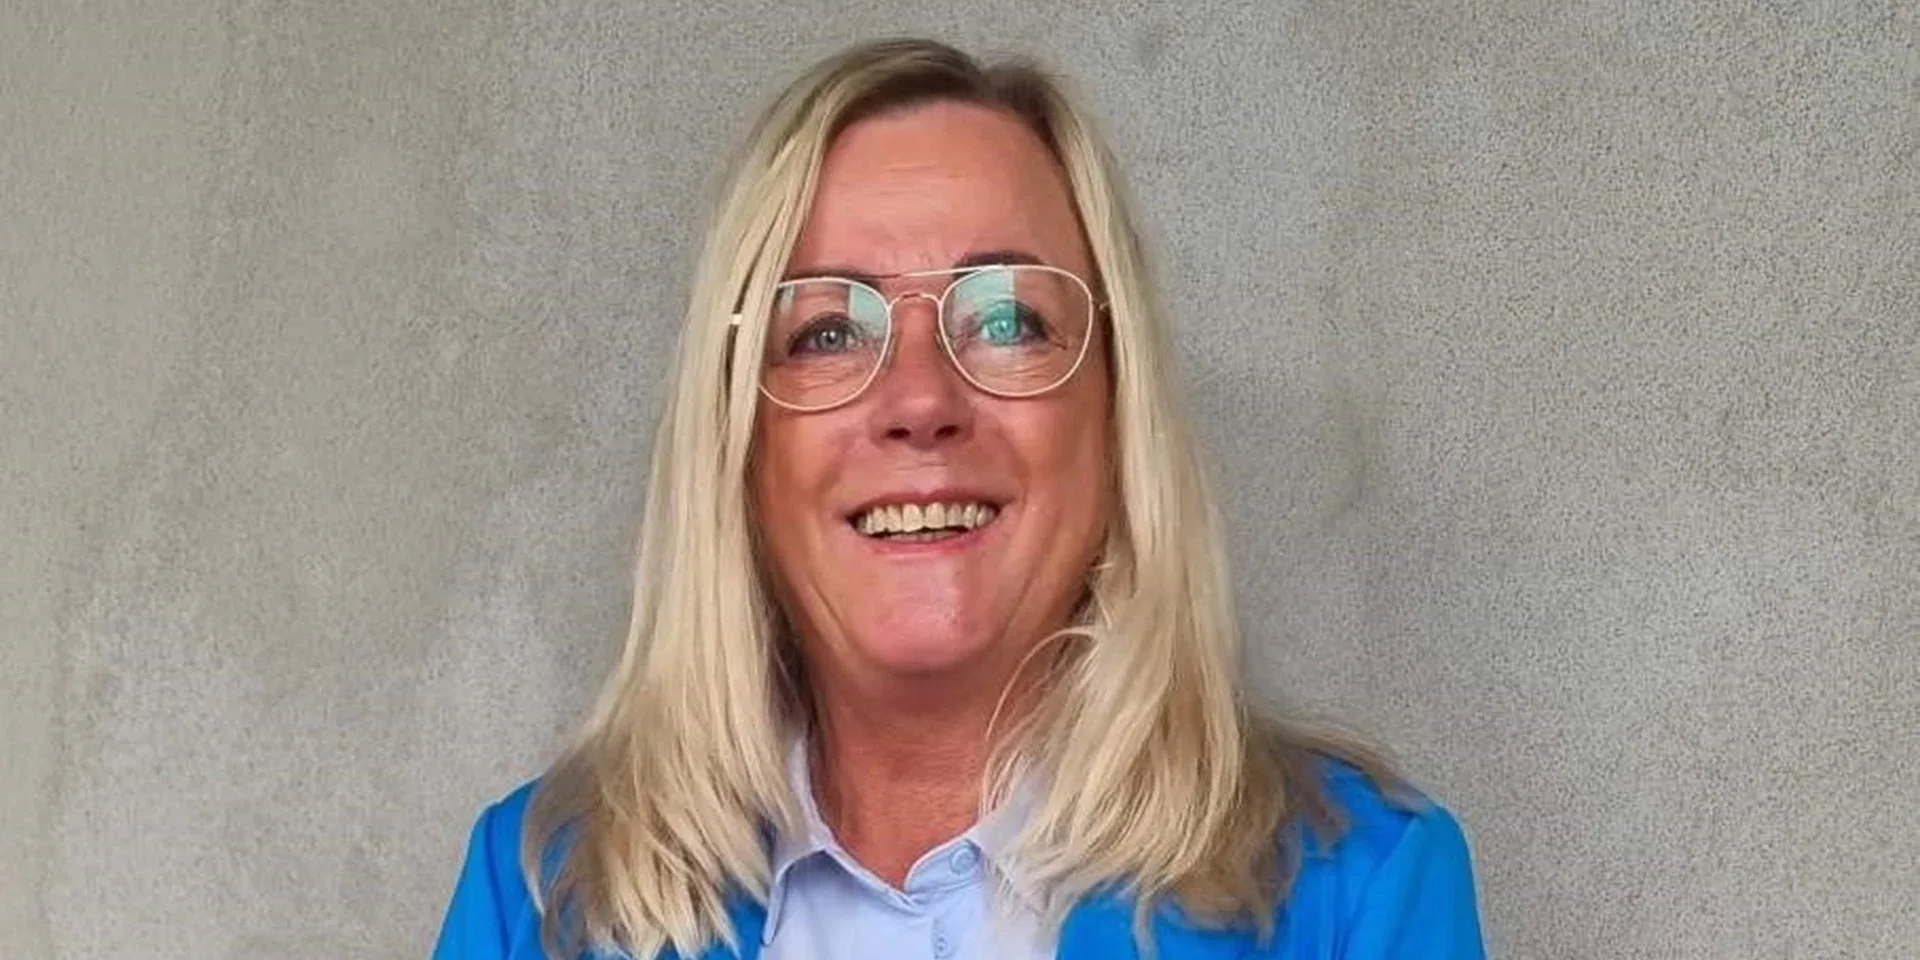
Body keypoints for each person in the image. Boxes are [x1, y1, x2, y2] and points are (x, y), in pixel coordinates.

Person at [432, 37, 1485, 960]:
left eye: (1009, 321)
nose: (921, 401)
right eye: (828, 331)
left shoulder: (1360, 892)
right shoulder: (536, 900)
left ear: (1117, 417)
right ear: (739, 441)